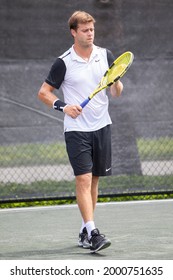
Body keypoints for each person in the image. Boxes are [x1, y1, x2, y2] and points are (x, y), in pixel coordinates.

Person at [38, 10, 123, 253]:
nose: (90, 34)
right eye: (85, 30)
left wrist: (115, 81)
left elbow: (116, 93)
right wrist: (64, 107)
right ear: (74, 32)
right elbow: (43, 92)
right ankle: (94, 233)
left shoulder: (105, 55)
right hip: (76, 130)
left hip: (102, 126)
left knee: (94, 180)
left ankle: (85, 230)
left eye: (92, 30)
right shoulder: (63, 62)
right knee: (83, 179)